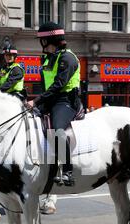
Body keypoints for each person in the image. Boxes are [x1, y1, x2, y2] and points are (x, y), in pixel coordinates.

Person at [26, 22, 82, 186]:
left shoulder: (68, 58)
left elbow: (58, 85)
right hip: (50, 101)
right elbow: (46, 85)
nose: (41, 44)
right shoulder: (48, 58)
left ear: (50, 40)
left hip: (66, 101)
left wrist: (35, 101)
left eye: (43, 40)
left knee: (57, 130)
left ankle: (67, 171)